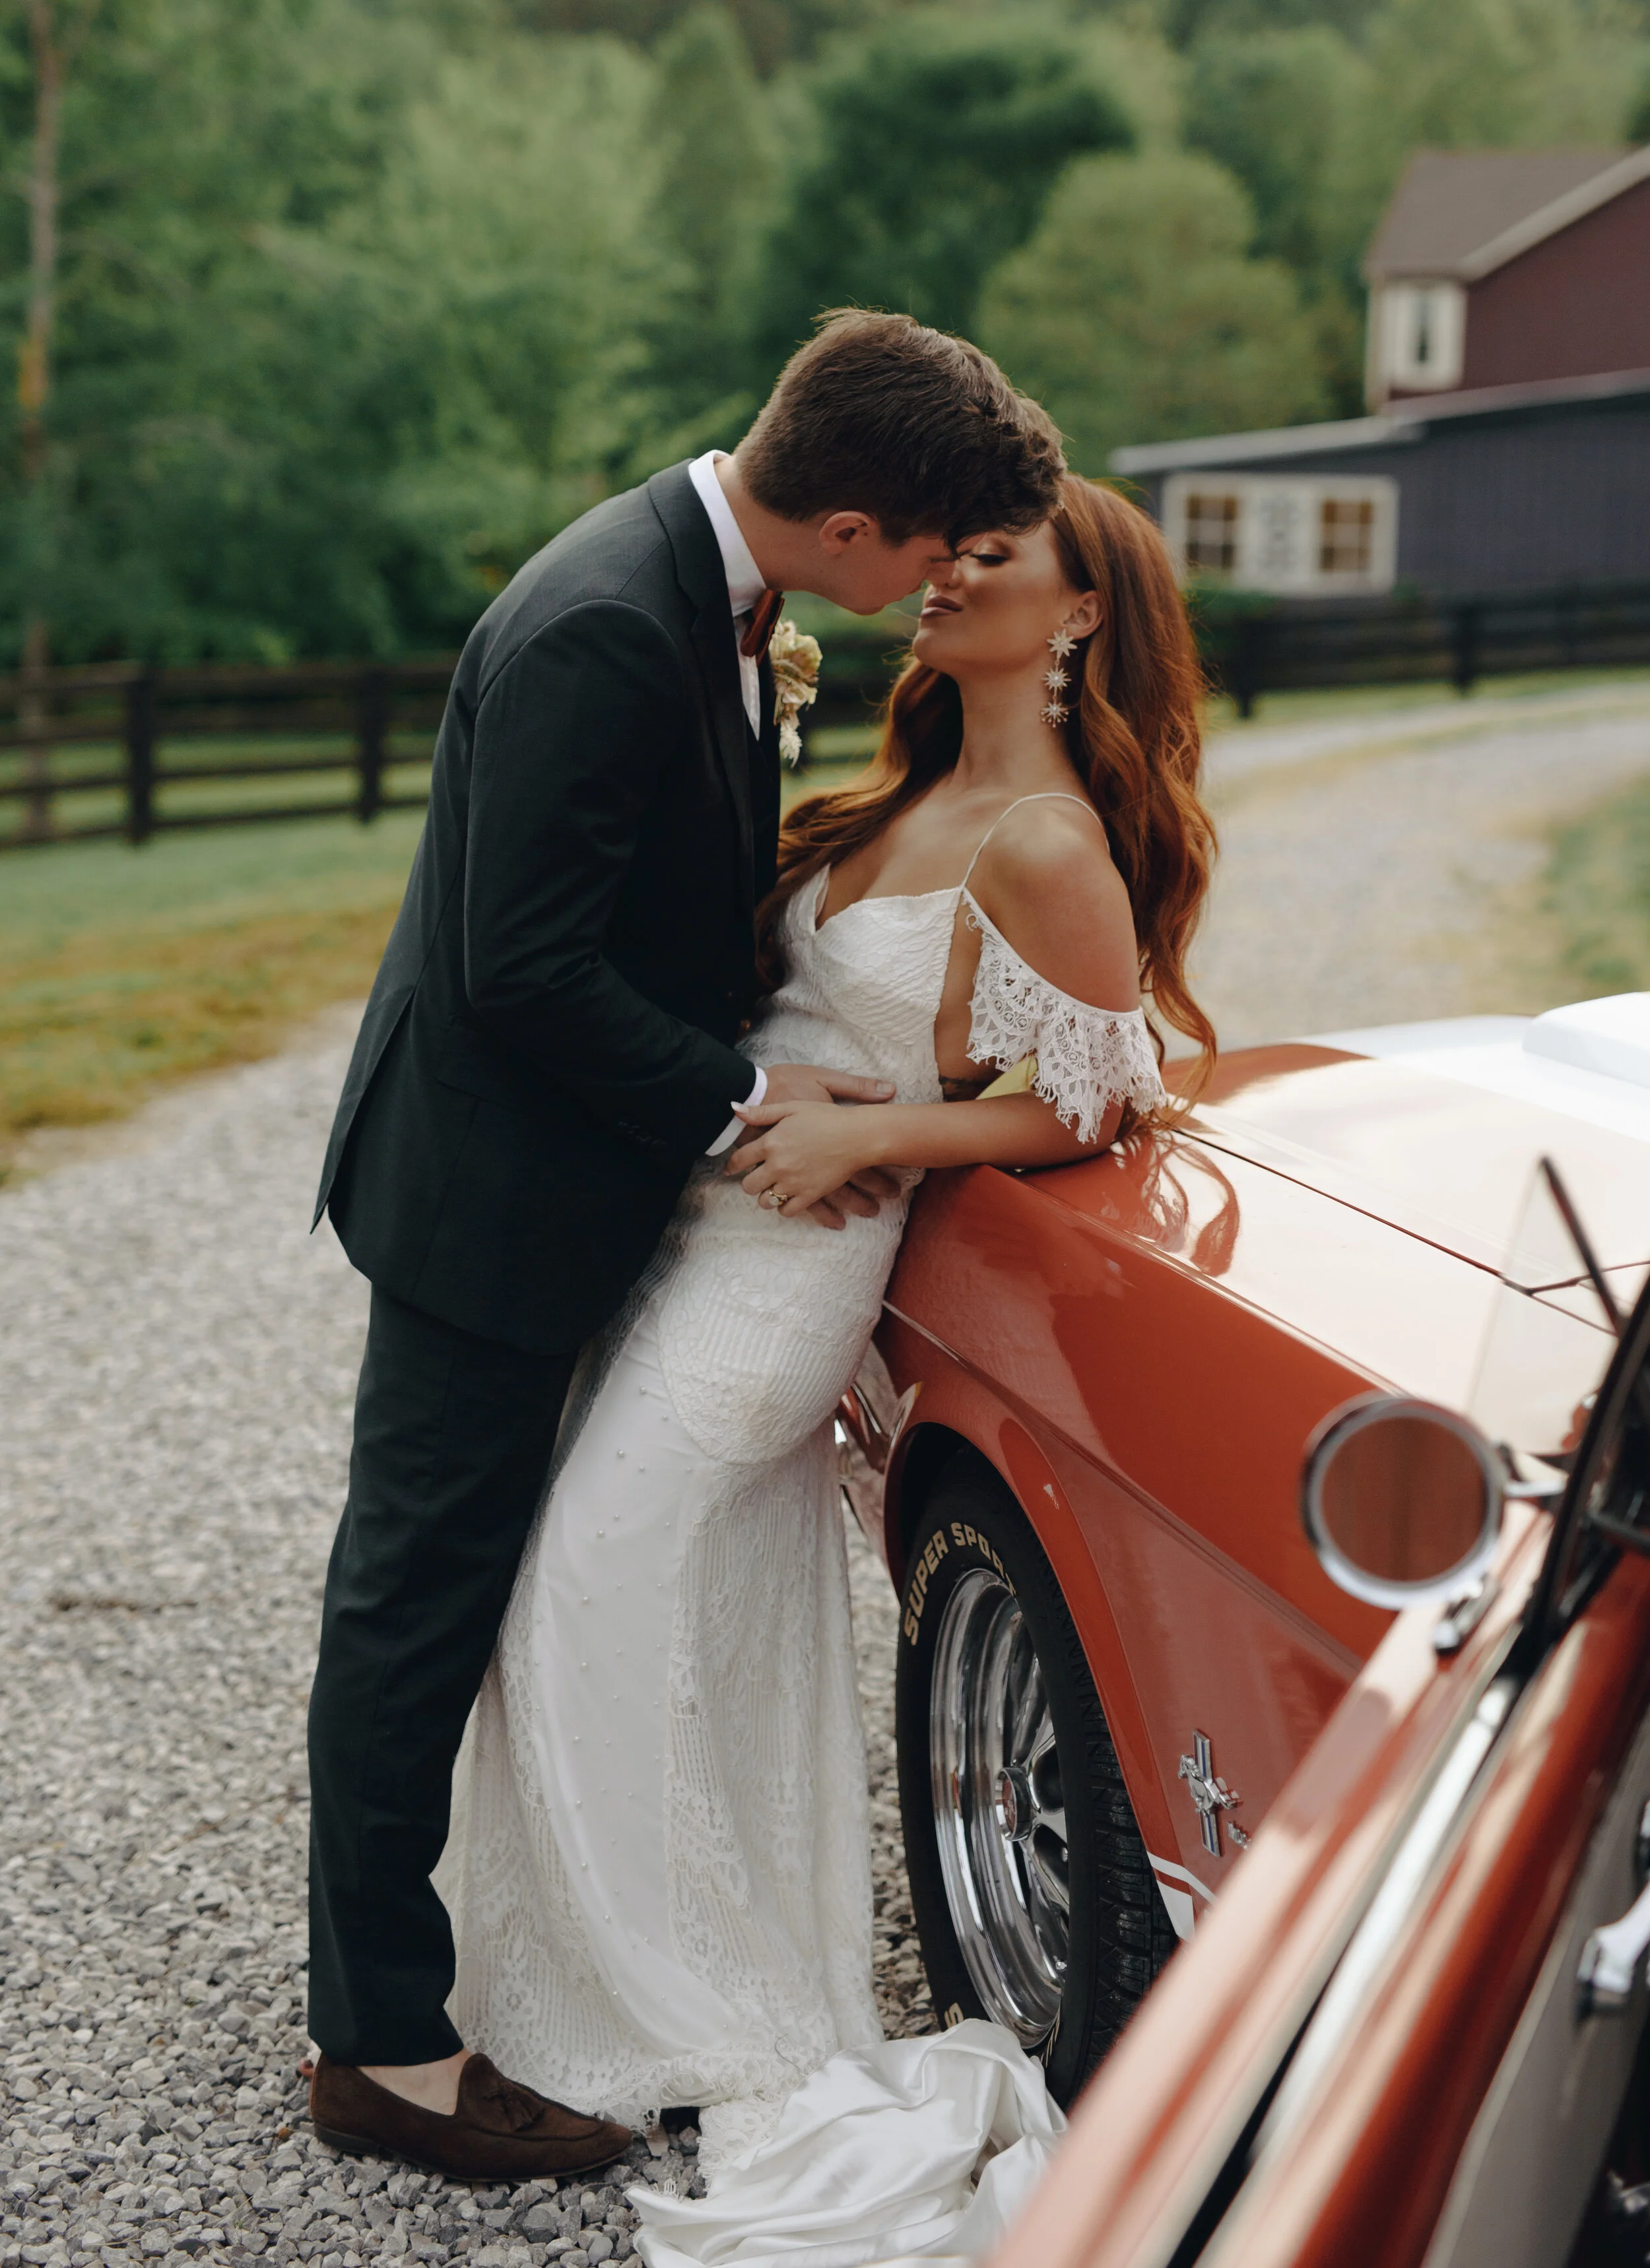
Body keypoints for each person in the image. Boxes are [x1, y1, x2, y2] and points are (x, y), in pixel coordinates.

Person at [304, 309, 1069, 2182]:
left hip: (586, 1187)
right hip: (487, 1199)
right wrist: (751, 1105)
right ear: (862, 526)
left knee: (483, 1581)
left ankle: (517, 1961)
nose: (938, 586)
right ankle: (383, 2043)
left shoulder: (704, 587)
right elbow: (522, 964)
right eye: (940, 549)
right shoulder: (605, 623)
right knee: (416, 1599)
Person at [436, 474, 1216, 2255]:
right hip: (694, 1231)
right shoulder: (903, 789)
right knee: (637, 1605)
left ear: (1081, 613)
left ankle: (685, 2012)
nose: (943, 577)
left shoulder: (1042, 834)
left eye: (992, 557)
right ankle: (633, 1980)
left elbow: (1091, 1096)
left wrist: (899, 1134)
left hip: (791, 1262)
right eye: (945, 552)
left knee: (591, 1589)